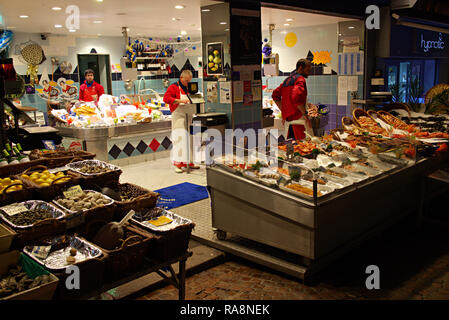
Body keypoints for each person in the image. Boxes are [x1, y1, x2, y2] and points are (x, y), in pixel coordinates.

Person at [163, 70, 200, 173]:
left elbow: (193, 96)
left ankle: (190, 162)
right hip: (178, 115)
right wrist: (179, 101)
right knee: (180, 138)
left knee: (190, 138)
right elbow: (166, 98)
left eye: (190, 80)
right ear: (181, 78)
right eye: (187, 81)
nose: (188, 83)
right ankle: (178, 164)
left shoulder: (189, 86)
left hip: (189, 115)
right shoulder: (173, 87)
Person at [272, 59, 313, 140]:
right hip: (299, 121)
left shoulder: (287, 80)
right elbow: (296, 97)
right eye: (308, 70)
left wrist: (284, 111)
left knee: (290, 147)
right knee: (306, 146)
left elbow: (275, 95)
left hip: (288, 122)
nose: (309, 73)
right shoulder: (300, 79)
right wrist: (305, 114)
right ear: (301, 68)